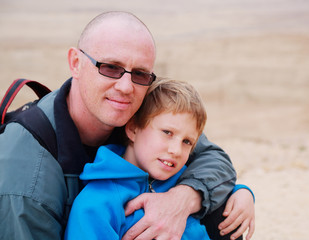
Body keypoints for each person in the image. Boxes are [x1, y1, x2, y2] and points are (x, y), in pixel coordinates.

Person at [0, 11, 255, 240]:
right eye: (110, 67)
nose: (125, 87)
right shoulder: (26, 175)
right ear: (76, 63)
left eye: (140, 73)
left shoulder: (138, 113)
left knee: (221, 207)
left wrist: (184, 199)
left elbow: (212, 158)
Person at [65, 78, 211, 239]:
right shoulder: (95, 205)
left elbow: (217, 186)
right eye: (167, 132)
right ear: (133, 129)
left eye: (187, 142)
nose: (176, 150)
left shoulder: (184, 180)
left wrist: (240, 194)